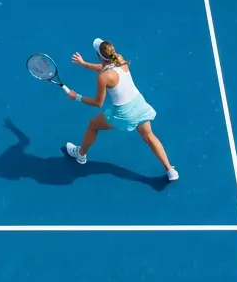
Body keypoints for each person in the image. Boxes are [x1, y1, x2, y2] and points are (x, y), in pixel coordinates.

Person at [61, 38, 179, 182]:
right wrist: (84, 64)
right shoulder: (120, 60)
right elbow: (105, 68)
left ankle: (80, 154)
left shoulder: (103, 77)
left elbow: (98, 103)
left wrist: (77, 97)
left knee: (93, 124)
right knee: (149, 137)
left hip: (125, 113)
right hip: (139, 105)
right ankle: (170, 170)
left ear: (99, 57)